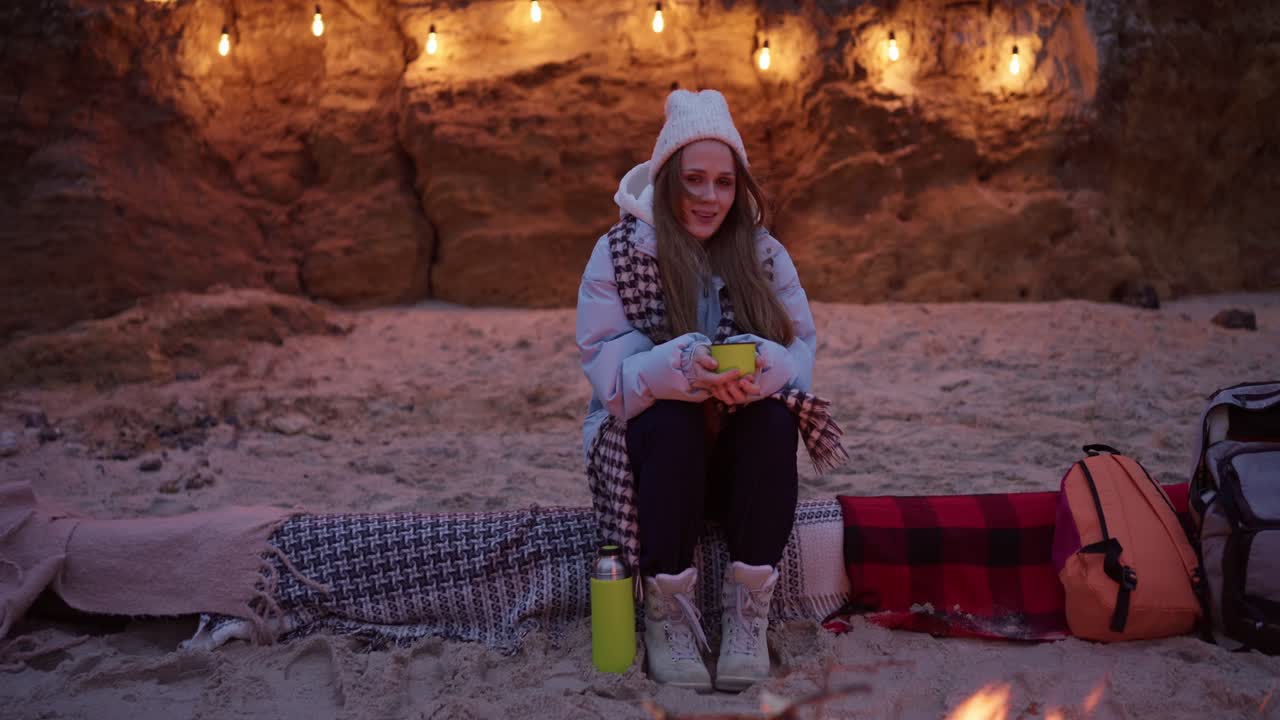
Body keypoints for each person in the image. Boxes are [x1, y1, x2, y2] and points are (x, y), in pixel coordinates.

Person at [576, 89, 826, 692]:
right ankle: (667, 611)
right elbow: (610, 379)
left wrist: (760, 368)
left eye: (723, 182)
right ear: (666, 181)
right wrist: (681, 372)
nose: (710, 198)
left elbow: (800, 360)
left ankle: (749, 608)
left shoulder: (764, 255)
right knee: (674, 418)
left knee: (774, 420)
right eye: (694, 180)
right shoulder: (619, 253)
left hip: (737, 454)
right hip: (655, 456)